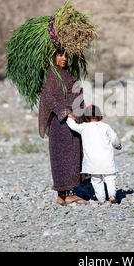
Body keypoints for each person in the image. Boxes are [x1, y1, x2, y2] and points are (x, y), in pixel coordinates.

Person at [38, 49, 88, 205]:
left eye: (66, 55)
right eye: (60, 55)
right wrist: (65, 112)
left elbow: (78, 97)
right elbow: (47, 97)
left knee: (73, 156)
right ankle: (64, 194)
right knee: (61, 158)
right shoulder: (52, 75)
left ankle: (68, 194)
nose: (64, 58)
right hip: (59, 123)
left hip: (74, 123)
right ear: (53, 57)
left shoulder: (69, 75)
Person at [66, 104, 122, 204]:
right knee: (110, 178)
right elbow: (114, 139)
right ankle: (112, 196)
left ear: (86, 116)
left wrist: (69, 117)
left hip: (92, 162)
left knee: (96, 180)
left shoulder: (84, 127)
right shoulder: (106, 127)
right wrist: (118, 146)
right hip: (106, 160)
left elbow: (73, 126)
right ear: (100, 115)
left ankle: (101, 199)